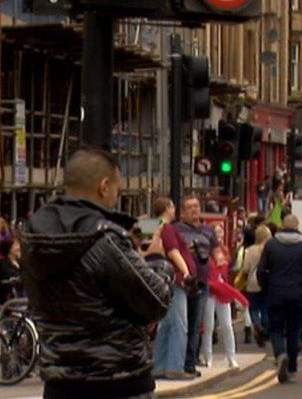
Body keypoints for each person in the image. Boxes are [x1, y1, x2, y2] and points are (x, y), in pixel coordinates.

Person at [20, 148, 171, 398]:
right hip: (117, 381)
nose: (115, 197)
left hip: (60, 383)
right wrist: (156, 260)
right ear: (104, 186)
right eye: (116, 190)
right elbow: (156, 301)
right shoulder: (105, 239)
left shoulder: (33, 237)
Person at [258, 214, 302, 383]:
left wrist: (266, 286)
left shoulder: (271, 244)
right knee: (294, 330)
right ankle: (292, 366)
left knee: (275, 328)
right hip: (299, 293)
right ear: (297, 226)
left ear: (282, 225)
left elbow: (261, 270)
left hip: (276, 291)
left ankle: (280, 353)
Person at [151, 197, 197, 380]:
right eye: (173, 206)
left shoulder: (151, 225)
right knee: (179, 325)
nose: (174, 209)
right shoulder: (168, 227)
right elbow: (173, 251)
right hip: (175, 281)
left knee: (166, 325)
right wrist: (186, 273)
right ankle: (175, 367)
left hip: (160, 279)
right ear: (169, 208)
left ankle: (159, 366)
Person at [175, 195, 219, 375]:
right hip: (182, 282)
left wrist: (217, 258)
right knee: (180, 324)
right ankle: (176, 361)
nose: (195, 210)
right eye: (190, 207)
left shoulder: (209, 231)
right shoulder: (175, 229)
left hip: (201, 283)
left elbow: (218, 253)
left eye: (197, 206)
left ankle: (189, 364)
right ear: (183, 212)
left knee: (194, 326)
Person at [201, 245, 243, 370]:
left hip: (222, 291)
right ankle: (208, 357)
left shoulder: (223, 251)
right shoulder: (205, 254)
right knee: (208, 326)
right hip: (210, 292)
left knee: (227, 325)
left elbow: (228, 267)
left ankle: (231, 357)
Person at [240, 224, 272, 348]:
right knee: (265, 308)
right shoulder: (271, 249)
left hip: (252, 282)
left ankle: (257, 325)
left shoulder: (249, 250)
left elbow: (245, 268)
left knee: (253, 308)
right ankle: (264, 329)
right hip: (267, 281)